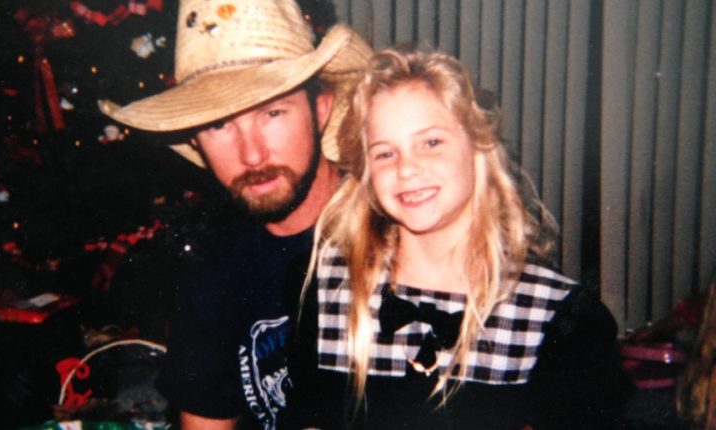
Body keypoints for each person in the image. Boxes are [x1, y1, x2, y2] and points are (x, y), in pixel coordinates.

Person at [284, 48, 632, 429]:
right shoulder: (327, 290)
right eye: (385, 153)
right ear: (366, 175)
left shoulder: (561, 318)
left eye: (431, 142)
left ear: (479, 148)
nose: (407, 168)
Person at [99, 0, 371, 428]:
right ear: (196, 141)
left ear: (320, 110)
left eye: (272, 112)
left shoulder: (400, 230)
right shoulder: (215, 273)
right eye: (220, 125)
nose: (251, 154)